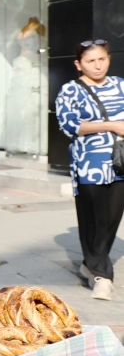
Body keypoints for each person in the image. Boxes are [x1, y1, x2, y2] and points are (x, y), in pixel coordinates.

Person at [57, 39, 124, 300]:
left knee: (111, 219)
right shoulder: (70, 90)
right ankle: (101, 276)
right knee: (92, 220)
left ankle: (91, 264)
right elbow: (69, 125)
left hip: (120, 162)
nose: (97, 66)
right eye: (90, 61)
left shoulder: (120, 85)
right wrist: (112, 125)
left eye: (102, 59)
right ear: (78, 64)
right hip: (89, 163)